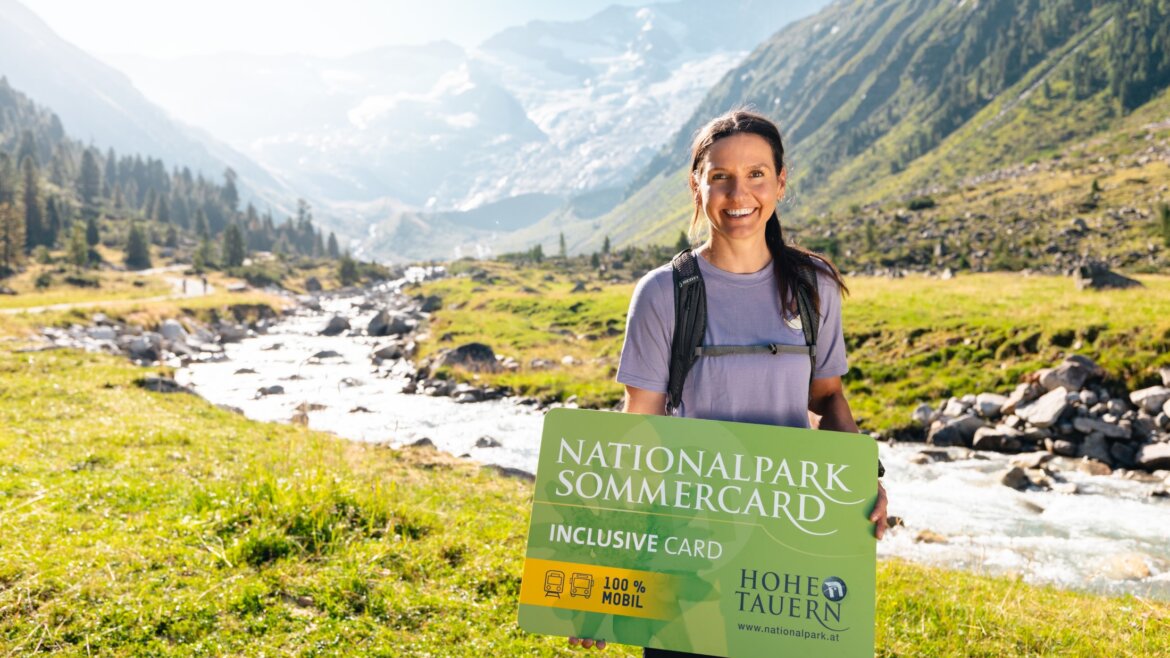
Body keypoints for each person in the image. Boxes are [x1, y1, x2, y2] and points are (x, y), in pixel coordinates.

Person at [571, 109, 888, 656]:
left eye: (756, 174)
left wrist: (862, 477)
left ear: (781, 183)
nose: (739, 192)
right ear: (698, 186)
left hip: (790, 554)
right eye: (720, 176)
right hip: (685, 552)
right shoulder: (662, 293)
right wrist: (604, 582)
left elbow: (829, 398)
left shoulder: (814, 288)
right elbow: (639, 430)